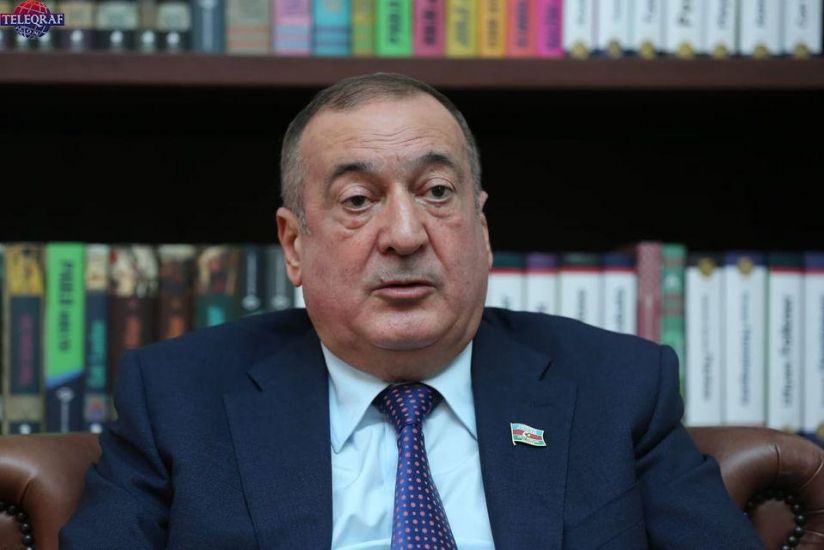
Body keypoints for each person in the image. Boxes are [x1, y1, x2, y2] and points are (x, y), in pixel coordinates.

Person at [60, 72, 763, 549]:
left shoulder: (617, 386)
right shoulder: (178, 397)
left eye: (436, 192)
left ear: (481, 229)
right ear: (294, 245)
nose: (404, 235)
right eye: (358, 201)